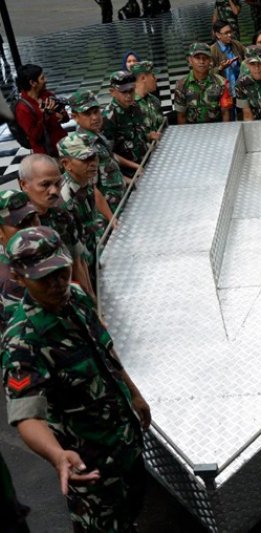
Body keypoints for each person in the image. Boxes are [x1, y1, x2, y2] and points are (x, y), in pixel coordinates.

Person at [1, 226, 150, 531]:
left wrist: (134, 393)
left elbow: (105, 351)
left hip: (124, 442)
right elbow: (26, 417)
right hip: (91, 467)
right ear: (18, 277)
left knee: (131, 512)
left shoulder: (77, 297)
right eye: (44, 278)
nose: (57, 283)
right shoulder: (23, 340)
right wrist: (57, 456)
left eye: (61, 270)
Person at [17, 155, 96, 300]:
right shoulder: (15, 227)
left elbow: (78, 260)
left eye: (58, 183)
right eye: (45, 184)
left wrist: (90, 297)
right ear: (24, 185)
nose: (54, 191)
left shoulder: (63, 216)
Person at [69, 90, 127, 222]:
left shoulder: (96, 135)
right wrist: (112, 220)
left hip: (119, 202)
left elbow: (110, 161)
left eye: (96, 112)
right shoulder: (82, 147)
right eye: (87, 114)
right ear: (75, 117)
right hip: (107, 212)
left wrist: (131, 177)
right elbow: (92, 189)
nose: (94, 117)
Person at [57, 134, 104, 273]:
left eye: (94, 156)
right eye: (85, 159)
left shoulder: (84, 178)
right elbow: (73, 255)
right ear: (66, 164)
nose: (93, 163)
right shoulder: (64, 199)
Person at [0, 191, 40, 327]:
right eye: (21, 224)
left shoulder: (41, 249)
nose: (31, 228)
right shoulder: (11, 279)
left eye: (33, 218)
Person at [103, 71, 156, 170]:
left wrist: (149, 136)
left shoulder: (135, 106)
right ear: (112, 92)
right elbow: (108, 154)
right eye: (124, 92)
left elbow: (139, 134)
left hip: (147, 161)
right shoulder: (108, 118)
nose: (129, 95)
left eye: (131, 90)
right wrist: (135, 166)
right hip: (129, 171)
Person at [14, 64, 68, 157]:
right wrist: (45, 117)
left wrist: (62, 115)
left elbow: (66, 118)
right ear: (32, 83)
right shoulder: (22, 108)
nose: (45, 80)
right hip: (47, 154)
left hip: (64, 146)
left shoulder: (47, 95)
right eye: (42, 78)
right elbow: (34, 137)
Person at [174, 43, 233, 124]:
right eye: (197, 58)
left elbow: (225, 113)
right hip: (191, 130)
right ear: (190, 60)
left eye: (205, 58)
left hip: (216, 129)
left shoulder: (221, 83)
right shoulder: (181, 85)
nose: (201, 61)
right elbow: (181, 116)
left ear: (210, 61)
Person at [210, 20, 246, 103]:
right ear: (218, 35)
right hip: (224, 93)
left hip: (240, 89)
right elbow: (207, 73)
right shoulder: (212, 51)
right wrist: (220, 68)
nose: (230, 35)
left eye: (230, 32)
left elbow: (248, 57)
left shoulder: (237, 45)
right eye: (226, 33)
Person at [131, 61, 166, 135]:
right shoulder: (130, 105)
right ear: (143, 78)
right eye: (153, 75)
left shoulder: (154, 100)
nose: (155, 79)